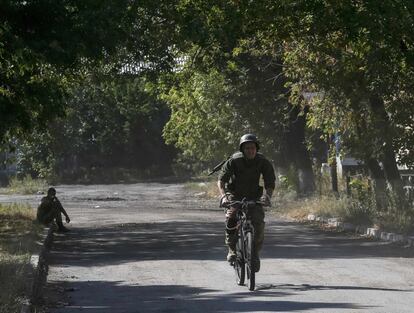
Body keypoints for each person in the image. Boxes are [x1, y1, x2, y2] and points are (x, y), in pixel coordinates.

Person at [218, 134, 275, 272]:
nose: (250, 151)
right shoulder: (234, 161)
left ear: (257, 149)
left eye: (253, 148)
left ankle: (254, 253)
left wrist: (267, 196)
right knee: (231, 216)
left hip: (254, 196)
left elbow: (270, 182)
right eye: (247, 148)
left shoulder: (262, 161)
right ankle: (232, 249)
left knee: (259, 222)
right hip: (234, 195)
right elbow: (221, 180)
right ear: (242, 149)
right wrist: (224, 196)